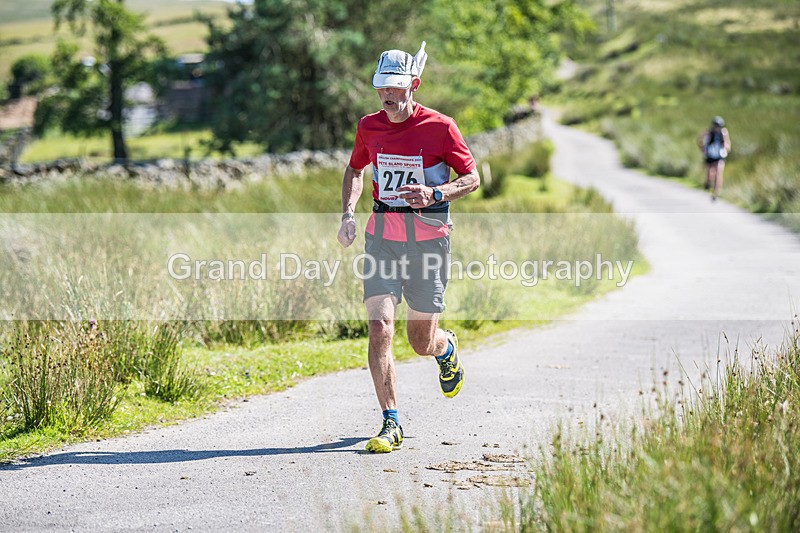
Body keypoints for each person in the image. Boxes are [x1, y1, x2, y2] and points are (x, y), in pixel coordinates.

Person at [337, 42, 480, 453]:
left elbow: (471, 178)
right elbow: (355, 169)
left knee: (420, 342)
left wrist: (436, 193)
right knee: (379, 326)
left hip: (429, 242)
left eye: (395, 87)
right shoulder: (369, 126)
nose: (387, 95)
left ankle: (445, 348)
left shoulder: (441, 126)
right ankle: (391, 421)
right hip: (382, 238)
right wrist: (348, 214)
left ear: (413, 85)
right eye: (381, 87)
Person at [697, 116, 731, 201]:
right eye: (716, 126)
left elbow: (728, 146)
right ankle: (708, 183)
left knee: (718, 173)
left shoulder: (723, 133)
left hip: (719, 156)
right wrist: (703, 146)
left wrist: (725, 147)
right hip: (710, 156)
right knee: (709, 174)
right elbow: (699, 141)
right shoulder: (709, 133)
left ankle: (716, 192)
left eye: (718, 126)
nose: (717, 128)